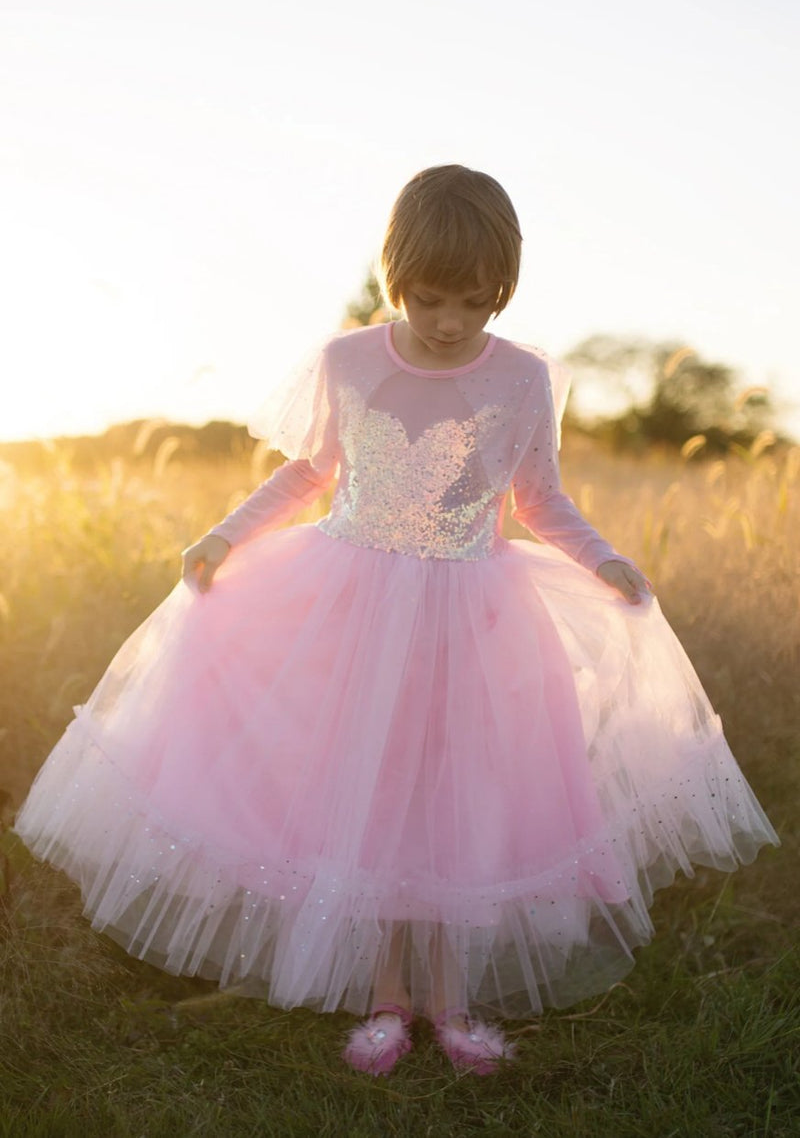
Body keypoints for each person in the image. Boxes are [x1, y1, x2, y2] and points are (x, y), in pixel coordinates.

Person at [15, 165, 778, 1077]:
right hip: (350, 605)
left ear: (503, 291)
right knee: (371, 788)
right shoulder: (349, 361)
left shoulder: (524, 379)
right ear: (394, 274)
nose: (451, 320)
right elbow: (307, 472)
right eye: (430, 298)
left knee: (455, 793)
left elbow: (539, 499)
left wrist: (604, 558)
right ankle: (386, 996)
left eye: (475, 301)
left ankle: (451, 1001)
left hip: (472, 614)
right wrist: (222, 534)